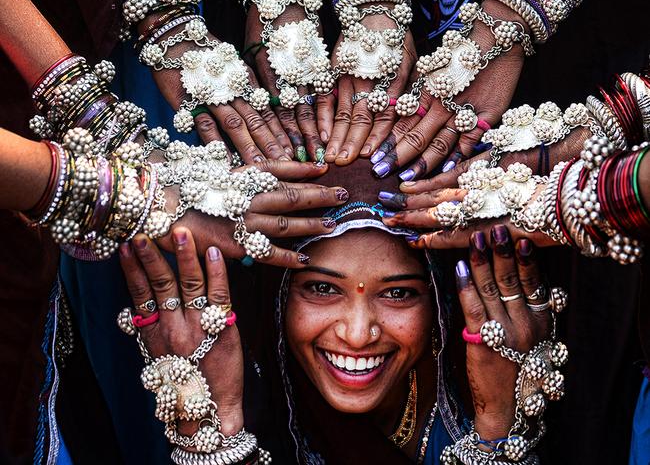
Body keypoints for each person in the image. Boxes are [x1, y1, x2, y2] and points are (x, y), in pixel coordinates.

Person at [118, 161, 565, 464]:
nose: (356, 335)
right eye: (321, 288)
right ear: (278, 298)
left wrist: (500, 422)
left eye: (398, 295)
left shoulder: (483, 382)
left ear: (441, 304)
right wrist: (214, 425)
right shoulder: (243, 390)